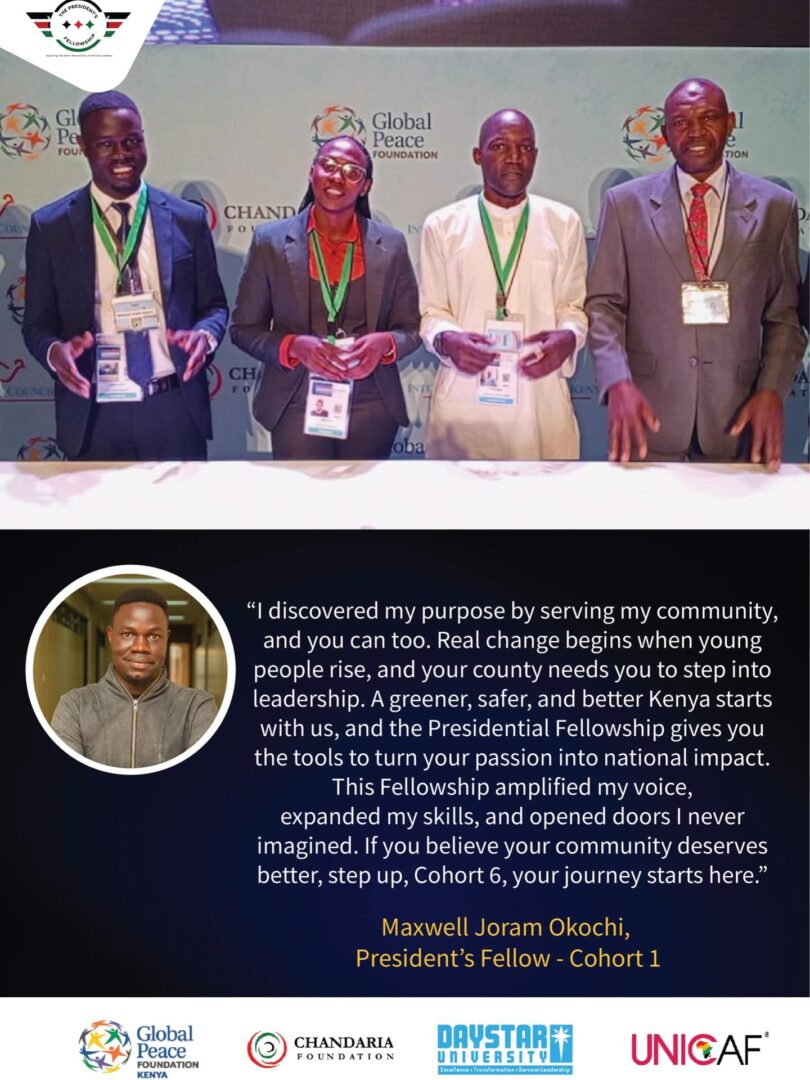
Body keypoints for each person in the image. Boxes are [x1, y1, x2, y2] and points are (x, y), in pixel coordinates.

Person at [586, 77, 806, 468]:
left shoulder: (776, 207)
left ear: (730, 123)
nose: (696, 132)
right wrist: (617, 381)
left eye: (709, 118)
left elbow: (783, 316)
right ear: (666, 132)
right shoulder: (625, 205)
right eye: (681, 122)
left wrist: (772, 390)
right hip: (646, 417)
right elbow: (604, 306)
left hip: (738, 419)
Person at [22, 91, 228, 460]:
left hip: (174, 409)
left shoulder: (187, 219)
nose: (122, 154)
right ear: (83, 146)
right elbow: (37, 324)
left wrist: (205, 336)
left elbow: (213, 306)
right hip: (95, 412)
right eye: (107, 144)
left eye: (132, 141)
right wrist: (55, 352)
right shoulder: (50, 226)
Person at [230, 136, 421, 459]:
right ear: (312, 172)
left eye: (351, 171)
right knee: (304, 502)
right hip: (298, 398)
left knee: (363, 503)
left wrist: (384, 344)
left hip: (371, 401)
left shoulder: (391, 245)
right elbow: (243, 329)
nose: (337, 176)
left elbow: (412, 329)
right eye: (328, 165)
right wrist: (293, 346)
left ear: (365, 186)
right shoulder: (270, 242)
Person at [419, 108, 587, 459]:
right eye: (500, 146)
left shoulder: (563, 222)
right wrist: (447, 340)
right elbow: (432, 311)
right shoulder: (443, 225)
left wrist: (568, 337)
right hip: (466, 401)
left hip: (540, 400)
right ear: (478, 156)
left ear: (536, 156)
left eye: (525, 148)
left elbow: (572, 307)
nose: (514, 158)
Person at [51, 588, 217, 768]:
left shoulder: (196, 708)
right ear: (110, 636)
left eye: (154, 636)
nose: (140, 647)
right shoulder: (74, 707)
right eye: (128, 634)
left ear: (166, 639)